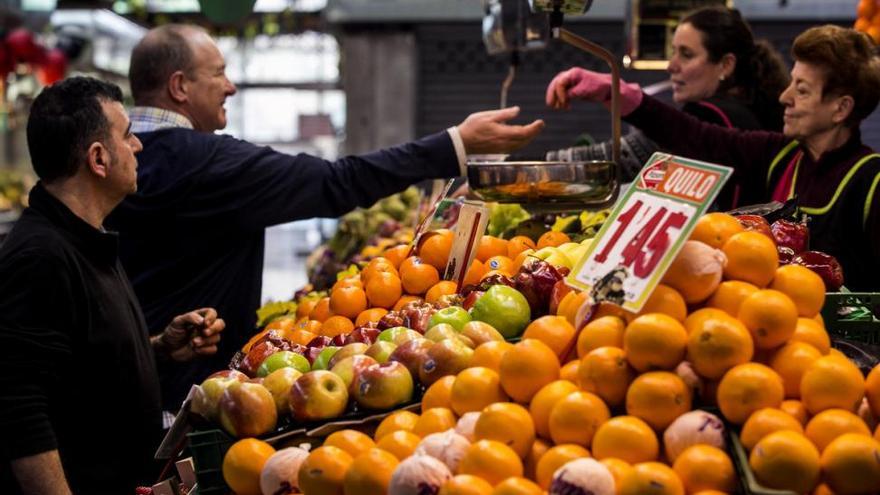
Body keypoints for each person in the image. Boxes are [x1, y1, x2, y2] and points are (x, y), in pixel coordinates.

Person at [105, 24, 545, 409]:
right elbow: (337, 182)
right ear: (179, 87)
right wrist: (455, 144)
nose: (231, 86)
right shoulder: (210, 163)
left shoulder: (98, 164)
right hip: (193, 392)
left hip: (110, 377)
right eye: (219, 72)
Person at [0, 77, 225, 495]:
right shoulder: (42, 257)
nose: (138, 146)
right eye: (128, 136)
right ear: (99, 159)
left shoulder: (87, 238)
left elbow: (79, 371)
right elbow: (19, 410)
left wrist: (156, 349)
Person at [546, 25, 880, 291]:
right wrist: (619, 94)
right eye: (791, 84)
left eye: (802, 90)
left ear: (841, 108)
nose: (785, 97)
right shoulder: (781, 156)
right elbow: (697, 137)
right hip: (773, 328)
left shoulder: (871, 181)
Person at [547, 6, 789, 209]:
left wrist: (530, 166)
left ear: (725, 65)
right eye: (674, 52)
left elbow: (616, 161)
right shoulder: (756, 108)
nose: (671, 65)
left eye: (686, 54)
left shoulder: (711, 115)